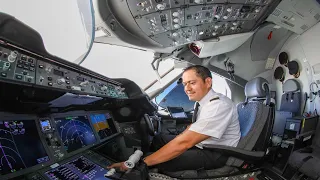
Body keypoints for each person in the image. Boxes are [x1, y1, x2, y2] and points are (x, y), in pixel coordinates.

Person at [108, 65, 241, 172]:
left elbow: (184, 143)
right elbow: (193, 128)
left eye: (192, 83)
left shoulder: (218, 105)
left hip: (216, 153)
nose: (187, 88)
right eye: (184, 84)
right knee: (159, 138)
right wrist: (181, 136)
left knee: (154, 163)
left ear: (208, 82)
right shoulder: (203, 103)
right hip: (204, 144)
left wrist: (142, 163)